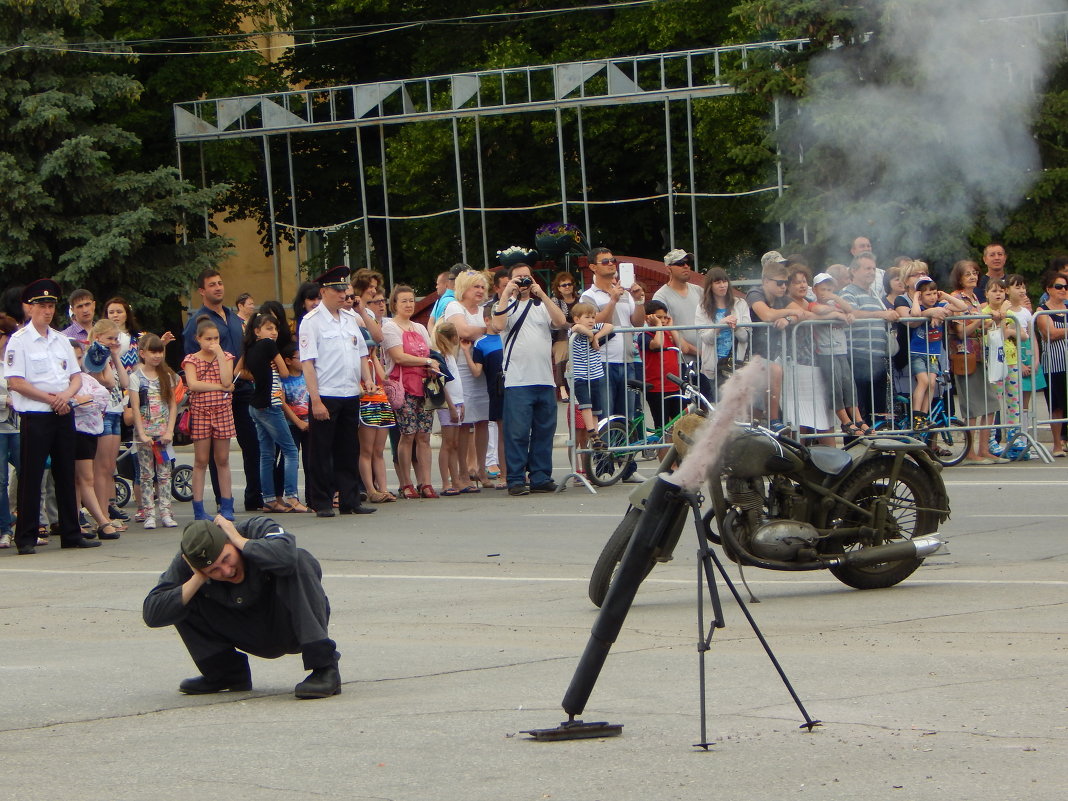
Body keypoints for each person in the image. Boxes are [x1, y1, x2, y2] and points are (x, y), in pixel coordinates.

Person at [142, 516, 341, 699]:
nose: (227, 571)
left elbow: (287, 556)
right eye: (214, 570)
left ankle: (325, 669)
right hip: (243, 630)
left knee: (299, 560)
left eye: (226, 559)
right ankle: (226, 674)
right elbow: (152, 613)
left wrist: (240, 541)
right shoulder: (188, 562)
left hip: (288, 625)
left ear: (229, 540)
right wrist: (198, 578)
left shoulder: (255, 528)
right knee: (181, 596)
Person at [6, 279, 99, 553]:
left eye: (50, 306)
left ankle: (71, 532)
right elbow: (16, 382)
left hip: (63, 411)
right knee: (32, 476)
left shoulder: (60, 340)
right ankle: (26, 536)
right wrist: (52, 399)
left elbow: (75, 377)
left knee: (65, 473)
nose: (47, 311)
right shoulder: (20, 341)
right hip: (36, 414)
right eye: (41, 306)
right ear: (29, 308)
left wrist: (65, 397)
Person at [182, 269, 261, 513]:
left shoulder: (235, 317)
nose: (218, 287)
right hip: (210, 398)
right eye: (212, 285)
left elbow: (245, 348)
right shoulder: (197, 321)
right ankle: (219, 501)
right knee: (211, 456)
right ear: (202, 291)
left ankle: (254, 496)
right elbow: (189, 361)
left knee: (251, 443)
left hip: (241, 387)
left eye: (220, 283)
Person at [299, 266, 376, 516]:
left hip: (349, 393)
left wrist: (367, 380)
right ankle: (320, 501)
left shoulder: (349, 319)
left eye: (345, 289)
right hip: (326, 393)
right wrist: (316, 400)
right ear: (324, 292)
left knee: (348, 449)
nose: (344, 294)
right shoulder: (312, 322)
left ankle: (350, 500)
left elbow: (362, 353)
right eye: (338, 289)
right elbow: (308, 363)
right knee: (321, 451)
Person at [490, 263, 568, 495]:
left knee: (544, 431)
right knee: (517, 432)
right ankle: (515, 478)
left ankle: (541, 476)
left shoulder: (541, 305)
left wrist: (541, 293)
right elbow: (498, 324)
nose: (523, 281)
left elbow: (560, 321)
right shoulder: (504, 305)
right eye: (518, 278)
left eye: (527, 277)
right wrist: (507, 293)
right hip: (517, 380)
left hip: (544, 379)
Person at [245, 311, 309, 514]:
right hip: (271, 404)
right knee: (290, 450)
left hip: (255, 405)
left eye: (274, 328)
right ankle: (291, 497)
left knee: (266, 454)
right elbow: (283, 372)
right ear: (257, 331)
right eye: (268, 328)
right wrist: (275, 363)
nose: (273, 332)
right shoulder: (268, 346)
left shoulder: (250, 347)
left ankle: (270, 499)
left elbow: (239, 371)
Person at [381, 285, 439, 499]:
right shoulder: (390, 328)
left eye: (411, 300)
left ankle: (426, 482)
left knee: (424, 436)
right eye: (403, 300)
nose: (408, 304)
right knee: (407, 435)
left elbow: (431, 352)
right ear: (394, 304)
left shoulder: (420, 328)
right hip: (403, 388)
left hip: (423, 387)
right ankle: (406, 482)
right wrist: (426, 361)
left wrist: (433, 366)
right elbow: (399, 357)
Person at [183, 317, 237, 520]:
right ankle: (198, 508)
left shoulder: (227, 356)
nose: (212, 342)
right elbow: (193, 384)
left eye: (216, 338)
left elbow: (227, 379)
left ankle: (227, 505)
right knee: (201, 460)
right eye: (208, 339)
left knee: (222, 459)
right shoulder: (191, 359)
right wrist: (219, 387)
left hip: (222, 410)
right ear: (198, 339)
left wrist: (220, 355)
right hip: (200, 412)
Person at [949, 260, 1003, 463]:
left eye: (974, 273)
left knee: (990, 403)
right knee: (971, 406)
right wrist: (981, 319)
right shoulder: (956, 298)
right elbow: (961, 331)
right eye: (967, 274)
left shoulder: (974, 298)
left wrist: (990, 321)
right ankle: (970, 452)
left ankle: (983, 449)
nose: (972, 276)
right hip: (965, 355)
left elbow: (978, 327)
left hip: (980, 354)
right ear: (959, 278)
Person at [838, 253, 899, 423]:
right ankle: (856, 445)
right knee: (859, 406)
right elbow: (852, 313)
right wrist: (880, 314)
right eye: (867, 268)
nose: (871, 272)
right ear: (854, 271)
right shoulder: (848, 292)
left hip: (877, 358)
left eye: (873, 268)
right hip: (857, 357)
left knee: (878, 411)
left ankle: (877, 446)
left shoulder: (874, 295)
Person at [443, 270, 490, 491]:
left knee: (482, 421)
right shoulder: (454, 307)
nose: (480, 291)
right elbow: (462, 330)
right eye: (475, 287)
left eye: (482, 287)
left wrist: (478, 331)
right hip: (461, 369)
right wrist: (485, 329)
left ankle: (481, 468)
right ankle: (462, 472)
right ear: (464, 288)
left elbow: (493, 330)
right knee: (464, 423)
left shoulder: (484, 310)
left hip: (480, 369)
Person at [70, 339, 122, 539]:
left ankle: (77, 523)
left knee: (80, 479)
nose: (77, 362)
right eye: (72, 358)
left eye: (79, 358)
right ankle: (102, 521)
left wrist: (82, 402)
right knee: (85, 478)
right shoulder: (61, 380)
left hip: (89, 433)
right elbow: (70, 401)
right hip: (73, 433)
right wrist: (79, 402)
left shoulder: (86, 379)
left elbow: (101, 397)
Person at [807, 273, 869, 436]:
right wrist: (837, 314)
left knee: (849, 383)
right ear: (814, 289)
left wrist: (836, 299)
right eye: (823, 289)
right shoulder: (813, 304)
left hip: (842, 351)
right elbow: (820, 310)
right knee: (835, 386)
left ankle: (858, 418)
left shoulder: (836, 303)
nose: (826, 292)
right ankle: (845, 420)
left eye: (829, 289)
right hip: (825, 352)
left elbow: (850, 309)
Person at [129, 333, 178, 528]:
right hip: (145, 434)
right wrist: (141, 434)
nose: (157, 356)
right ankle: (149, 512)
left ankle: (166, 511)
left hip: (164, 433)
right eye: (153, 351)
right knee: (146, 474)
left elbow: (173, 405)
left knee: (165, 473)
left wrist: (170, 431)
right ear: (142, 353)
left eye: (160, 351)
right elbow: (134, 408)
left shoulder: (167, 376)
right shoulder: (135, 378)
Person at [746, 260, 802, 431]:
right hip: (748, 357)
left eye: (785, 283)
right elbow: (767, 315)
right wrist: (790, 312)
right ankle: (770, 422)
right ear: (765, 281)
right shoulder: (754, 293)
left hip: (768, 355)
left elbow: (802, 313)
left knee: (761, 397)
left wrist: (789, 319)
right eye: (779, 283)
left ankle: (771, 423)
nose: (783, 287)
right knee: (753, 410)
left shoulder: (782, 298)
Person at [908, 277, 968, 434]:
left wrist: (945, 296)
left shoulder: (941, 306)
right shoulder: (919, 307)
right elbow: (914, 314)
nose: (933, 297)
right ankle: (916, 416)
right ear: (921, 296)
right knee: (924, 381)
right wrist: (916, 297)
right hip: (918, 353)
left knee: (932, 384)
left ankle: (925, 416)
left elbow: (962, 307)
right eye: (928, 294)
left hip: (933, 354)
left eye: (934, 293)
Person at [87, 318, 130, 529]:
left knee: (109, 467)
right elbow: (106, 381)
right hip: (101, 413)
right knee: (101, 468)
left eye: (116, 338)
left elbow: (124, 382)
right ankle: (101, 516)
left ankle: (105, 514)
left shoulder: (109, 356)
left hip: (115, 411)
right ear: (98, 338)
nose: (113, 342)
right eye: (109, 338)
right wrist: (105, 355)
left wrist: (114, 355)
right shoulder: (94, 356)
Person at [782, 267, 833, 443]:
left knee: (823, 416)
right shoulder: (785, 302)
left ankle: (834, 461)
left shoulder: (811, 300)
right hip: (795, 363)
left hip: (816, 361)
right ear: (788, 286)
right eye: (797, 282)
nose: (802, 285)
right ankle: (797, 460)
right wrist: (829, 316)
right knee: (798, 418)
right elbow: (805, 316)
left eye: (804, 281)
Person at [694, 267, 750, 401]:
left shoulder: (740, 304)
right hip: (713, 366)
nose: (723, 285)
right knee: (717, 407)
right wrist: (720, 325)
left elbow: (745, 337)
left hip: (737, 364)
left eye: (725, 281)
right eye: (718, 282)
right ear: (710, 286)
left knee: (737, 407)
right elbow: (706, 339)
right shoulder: (702, 308)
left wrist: (736, 327)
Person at [471, 304, 506, 489]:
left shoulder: (508, 336)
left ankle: (517, 470)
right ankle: (504, 474)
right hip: (497, 389)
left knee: (516, 431)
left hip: (515, 387)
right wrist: (466, 354)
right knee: (502, 432)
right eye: (495, 316)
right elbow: (477, 371)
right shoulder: (481, 342)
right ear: (486, 320)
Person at [1007, 274, 1043, 454]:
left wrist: (1036, 358)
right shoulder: (1008, 311)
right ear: (1007, 290)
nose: (1021, 291)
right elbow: (1011, 340)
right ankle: (1016, 438)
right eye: (1016, 287)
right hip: (1014, 356)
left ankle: (1026, 436)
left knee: (1026, 401)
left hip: (1028, 353)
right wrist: (1020, 364)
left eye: (1023, 287)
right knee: (1015, 400)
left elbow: (1032, 335)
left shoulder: (1026, 312)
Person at [568, 301, 611, 449]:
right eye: (587, 317)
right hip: (580, 376)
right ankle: (591, 432)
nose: (592, 320)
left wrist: (597, 336)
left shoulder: (595, 329)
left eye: (593, 317)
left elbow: (610, 326)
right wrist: (590, 336)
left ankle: (596, 435)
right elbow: (578, 328)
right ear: (577, 318)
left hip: (595, 374)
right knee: (585, 405)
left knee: (596, 408)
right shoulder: (574, 331)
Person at [1035, 271, 1068, 456]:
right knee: (1057, 406)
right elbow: (1050, 334)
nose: (1063, 290)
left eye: (1065, 287)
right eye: (1058, 286)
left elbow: (1057, 331)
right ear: (1049, 289)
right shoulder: (1042, 310)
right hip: (1054, 365)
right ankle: (1056, 445)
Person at [638, 299, 685, 431]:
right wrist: (658, 325)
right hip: (657, 389)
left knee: (678, 426)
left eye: (665, 318)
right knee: (662, 428)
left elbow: (684, 348)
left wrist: (672, 327)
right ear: (649, 318)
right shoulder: (645, 335)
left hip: (674, 386)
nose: (663, 321)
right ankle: (660, 451)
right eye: (659, 317)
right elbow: (657, 344)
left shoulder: (667, 332)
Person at [432, 322, 466, 495]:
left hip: (457, 402)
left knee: (455, 443)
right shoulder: (440, 357)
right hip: (448, 404)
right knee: (447, 443)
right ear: (453, 338)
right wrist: (452, 406)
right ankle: (446, 482)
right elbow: (442, 384)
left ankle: (456, 479)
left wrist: (462, 403)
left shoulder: (450, 356)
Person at [0, 290, 22, 549]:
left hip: (20, 425)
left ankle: (27, 522)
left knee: (30, 474)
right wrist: (5, 400)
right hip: (1, 426)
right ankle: (5, 528)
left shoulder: (15, 359)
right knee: (2, 481)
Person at [652, 249, 701, 362]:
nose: (685, 266)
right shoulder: (661, 296)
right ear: (668, 268)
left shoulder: (699, 291)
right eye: (680, 263)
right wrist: (700, 353)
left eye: (688, 263)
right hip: (681, 361)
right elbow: (668, 332)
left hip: (705, 362)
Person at [550, 271, 579, 402]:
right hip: (561, 335)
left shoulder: (580, 299)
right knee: (562, 352)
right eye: (563, 285)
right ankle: (562, 387)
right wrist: (572, 327)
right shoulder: (556, 302)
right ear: (558, 288)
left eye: (569, 284)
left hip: (580, 333)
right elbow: (558, 322)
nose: (567, 287)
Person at [428, 263, 464, 330]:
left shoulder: (438, 301)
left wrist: (435, 338)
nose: (436, 287)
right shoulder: (454, 302)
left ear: (447, 285)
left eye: (438, 284)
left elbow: (430, 323)